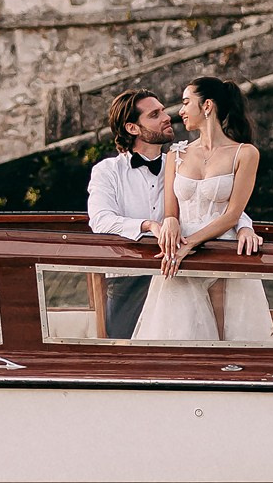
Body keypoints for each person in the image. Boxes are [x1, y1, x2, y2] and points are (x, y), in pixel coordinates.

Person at [87, 88, 259, 338]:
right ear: (133, 128)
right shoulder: (107, 171)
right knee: (128, 356)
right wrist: (150, 226)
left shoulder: (180, 160)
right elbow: (101, 220)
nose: (167, 117)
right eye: (155, 115)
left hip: (179, 268)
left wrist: (245, 226)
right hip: (129, 277)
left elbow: (217, 202)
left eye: (163, 110)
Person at [132, 78, 271, 342]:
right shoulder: (176, 154)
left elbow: (232, 213)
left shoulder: (245, 153)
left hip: (221, 248)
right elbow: (170, 210)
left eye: (186, 103)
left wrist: (192, 243)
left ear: (207, 105)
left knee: (224, 334)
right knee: (179, 332)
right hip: (178, 252)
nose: (180, 111)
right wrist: (171, 223)